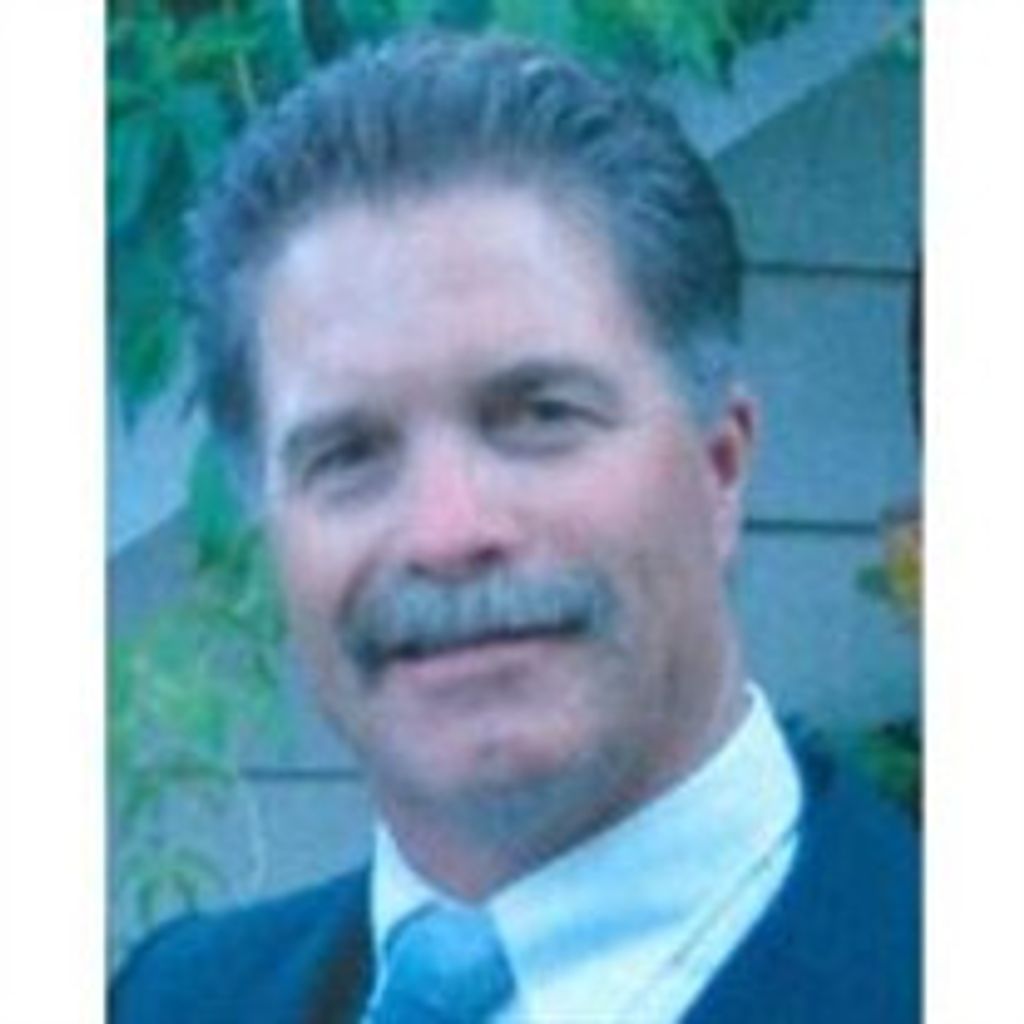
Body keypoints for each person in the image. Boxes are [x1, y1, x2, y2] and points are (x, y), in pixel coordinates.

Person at [111, 31, 919, 1024]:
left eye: (539, 415)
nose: (447, 533)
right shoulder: (171, 999)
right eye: (348, 453)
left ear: (721, 468)